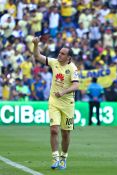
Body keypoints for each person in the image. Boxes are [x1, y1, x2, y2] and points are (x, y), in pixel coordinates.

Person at [32, 36, 79, 170]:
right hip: (54, 101)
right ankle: (55, 157)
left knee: (65, 133)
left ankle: (64, 157)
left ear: (68, 57)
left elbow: (76, 86)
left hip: (68, 104)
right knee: (54, 130)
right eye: (59, 52)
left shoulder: (73, 68)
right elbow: (38, 56)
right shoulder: (54, 62)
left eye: (63, 54)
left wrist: (64, 92)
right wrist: (36, 45)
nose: (59, 54)